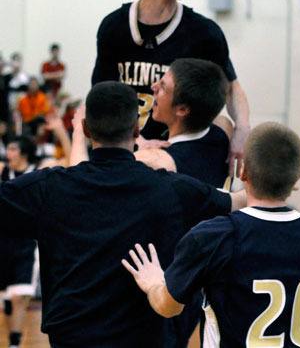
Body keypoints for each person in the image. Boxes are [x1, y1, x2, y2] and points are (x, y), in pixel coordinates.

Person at [0, 81, 245, 348]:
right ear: (137, 129)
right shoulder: (172, 189)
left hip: (72, 339)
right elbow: (237, 202)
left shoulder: (49, 189)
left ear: (84, 128)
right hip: (146, 339)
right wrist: (269, 175)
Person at [124, 122, 300, 347]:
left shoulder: (213, 237)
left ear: (243, 171)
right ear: (296, 178)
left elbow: (168, 307)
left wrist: (153, 283)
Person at [92, 0, 250, 176]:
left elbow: (230, 87)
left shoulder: (204, 32)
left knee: (223, 126)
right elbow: (100, 99)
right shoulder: (114, 26)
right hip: (126, 145)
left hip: (179, 146)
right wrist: (137, 143)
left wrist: (243, 128)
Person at [135, 58, 232, 188]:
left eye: (162, 87)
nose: (154, 86)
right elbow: (223, 120)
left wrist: (135, 140)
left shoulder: (161, 163)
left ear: (182, 109)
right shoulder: (223, 133)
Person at [0, 136, 39, 348]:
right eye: (8, 149)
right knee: (7, 300)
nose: (9, 153)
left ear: (24, 150)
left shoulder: (37, 169)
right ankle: (12, 340)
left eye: (13, 149)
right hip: (3, 240)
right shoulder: (3, 170)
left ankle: (14, 344)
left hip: (26, 241)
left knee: (18, 296)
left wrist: (61, 132)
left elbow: (71, 160)